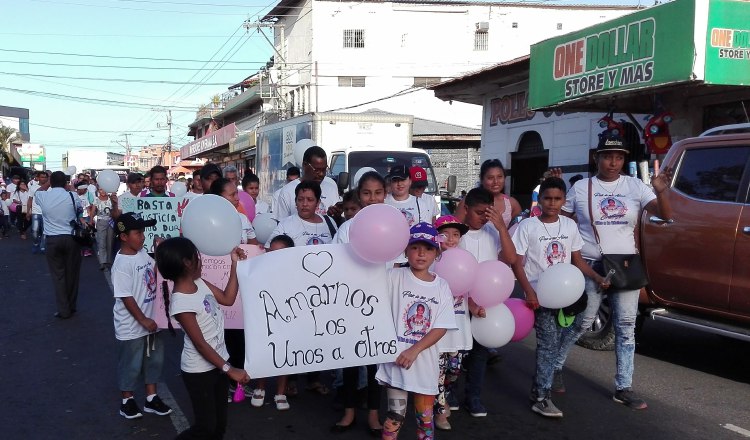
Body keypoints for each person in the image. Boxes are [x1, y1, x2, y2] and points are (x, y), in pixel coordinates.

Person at [551, 133, 672, 410]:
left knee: (626, 327)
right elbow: (563, 222)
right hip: (592, 266)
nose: (613, 163)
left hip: (626, 268)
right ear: (597, 158)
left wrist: (661, 190)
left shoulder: (635, 186)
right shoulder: (582, 188)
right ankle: (555, 365)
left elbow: (664, 215)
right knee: (583, 322)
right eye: (607, 156)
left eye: (619, 157)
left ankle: (623, 387)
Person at [510, 177, 608, 418]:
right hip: (541, 297)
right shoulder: (527, 226)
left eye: (557, 199)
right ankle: (541, 396)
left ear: (564, 200)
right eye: (547, 198)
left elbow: (577, 260)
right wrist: (529, 292)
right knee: (547, 345)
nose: (552, 203)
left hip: (568, 295)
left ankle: (546, 379)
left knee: (573, 330)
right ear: (540, 199)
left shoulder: (569, 226)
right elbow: (517, 263)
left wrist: (596, 277)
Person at [157, 237, 250, 438]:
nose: (201, 260)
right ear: (187, 263)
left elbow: (228, 298)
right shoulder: (181, 302)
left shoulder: (199, 282)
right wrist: (230, 369)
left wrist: (234, 264)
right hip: (200, 372)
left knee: (219, 425)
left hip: (219, 364)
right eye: (197, 256)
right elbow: (200, 344)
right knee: (205, 427)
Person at [376, 222, 457, 440]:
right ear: (405, 250)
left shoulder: (441, 287)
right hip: (395, 362)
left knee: (425, 420)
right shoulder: (393, 277)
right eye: (415, 247)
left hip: (424, 364)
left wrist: (414, 350)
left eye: (428, 248)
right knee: (394, 416)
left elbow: (441, 326)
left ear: (436, 253)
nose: (421, 253)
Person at [331, 171, 386, 436]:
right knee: (351, 360)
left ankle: (374, 415)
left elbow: (398, 266)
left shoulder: (394, 226)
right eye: (367, 193)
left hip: (382, 305)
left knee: (376, 363)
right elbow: (336, 267)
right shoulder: (346, 229)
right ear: (359, 195)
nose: (372, 198)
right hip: (351, 304)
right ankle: (349, 411)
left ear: (385, 194)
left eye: (377, 193)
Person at [459, 187, 517, 417]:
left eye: (488, 212)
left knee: (480, 352)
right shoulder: (458, 235)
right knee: (456, 352)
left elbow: (511, 259)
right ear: (466, 209)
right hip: (461, 302)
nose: (483, 217)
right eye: (478, 212)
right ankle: (448, 393)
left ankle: (473, 397)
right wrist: (468, 300)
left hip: (486, 303)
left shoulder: (493, 233)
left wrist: (502, 228)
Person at [111, 212, 173, 419]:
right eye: (138, 233)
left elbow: (153, 275)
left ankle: (151, 398)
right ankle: (127, 400)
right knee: (131, 364)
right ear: (123, 236)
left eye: (143, 232)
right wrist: (143, 320)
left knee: (154, 360)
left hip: (151, 321)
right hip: (133, 326)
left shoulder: (141, 254)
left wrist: (158, 253)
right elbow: (126, 297)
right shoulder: (121, 264)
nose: (143, 236)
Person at [432, 215, 472, 431]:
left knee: (453, 372)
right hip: (439, 333)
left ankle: (442, 398)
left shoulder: (466, 260)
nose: (451, 238)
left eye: (456, 234)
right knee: (437, 373)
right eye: (445, 234)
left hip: (459, 330)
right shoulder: (431, 261)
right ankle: (439, 413)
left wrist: (476, 306)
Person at [249, 233, 294, 411]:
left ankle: (280, 392)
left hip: (288, 318)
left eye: (280, 252)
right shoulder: (260, 270)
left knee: (286, 352)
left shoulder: (296, 272)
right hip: (265, 318)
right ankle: (260, 387)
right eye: (271, 252)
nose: (275, 256)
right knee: (266, 351)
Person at [34, 171, 84, 319]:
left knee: (58, 276)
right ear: (65, 183)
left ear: (51, 182)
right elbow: (79, 209)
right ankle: (72, 305)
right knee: (72, 274)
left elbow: (38, 191)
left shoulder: (43, 196)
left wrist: (48, 183)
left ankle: (64, 310)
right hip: (71, 238)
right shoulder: (72, 195)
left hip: (52, 239)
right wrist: (69, 187)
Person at [266, 180, 337, 248]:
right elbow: (269, 248)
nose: (305, 204)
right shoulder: (285, 225)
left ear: (318, 202)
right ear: (295, 201)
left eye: (310, 200)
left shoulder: (329, 222)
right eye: (300, 199)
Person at [274, 147, 340, 220]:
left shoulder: (331, 188)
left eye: (324, 170)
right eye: (317, 170)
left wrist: (334, 215)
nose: (321, 174)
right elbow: (281, 224)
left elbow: (336, 223)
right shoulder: (287, 192)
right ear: (304, 165)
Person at [455, 159, 521, 228]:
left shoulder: (512, 204)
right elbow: (455, 229)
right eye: (490, 178)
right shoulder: (469, 201)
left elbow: (517, 231)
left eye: (499, 177)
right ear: (482, 179)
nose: (496, 181)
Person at [209, 178, 259, 245]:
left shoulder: (243, 218)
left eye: (237, 193)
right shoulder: (208, 221)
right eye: (232, 195)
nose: (237, 198)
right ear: (218, 197)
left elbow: (254, 246)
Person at [91, 188, 117, 270]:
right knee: (101, 242)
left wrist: (114, 200)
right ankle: (102, 262)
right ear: (98, 191)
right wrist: (91, 221)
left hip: (111, 222)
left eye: (105, 189)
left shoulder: (110, 199)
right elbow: (93, 211)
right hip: (101, 222)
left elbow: (115, 209)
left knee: (109, 242)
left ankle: (109, 261)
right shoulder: (96, 200)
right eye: (101, 190)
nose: (103, 192)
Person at [28, 171, 49, 252]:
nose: (43, 179)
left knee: (45, 230)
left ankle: (43, 246)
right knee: (34, 230)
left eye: (45, 177)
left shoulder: (50, 188)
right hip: (35, 212)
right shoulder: (33, 187)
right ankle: (36, 243)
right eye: (42, 177)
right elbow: (30, 199)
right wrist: (28, 211)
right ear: (38, 178)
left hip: (46, 213)